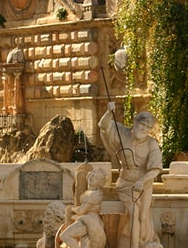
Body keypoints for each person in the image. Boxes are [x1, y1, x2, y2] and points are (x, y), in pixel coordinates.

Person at [98, 102, 162, 248]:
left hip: (144, 184)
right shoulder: (122, 133)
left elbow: (156, 169)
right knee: (134, 212)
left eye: (148, 127)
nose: (144, 129)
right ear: (135, 122)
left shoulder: (152, 144)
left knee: (143, 217)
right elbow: (103, 125)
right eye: (142, 125)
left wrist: (142, 181)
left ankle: (141, 242)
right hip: (126, 183)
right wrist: (109, 112)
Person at [59, 168, 108, 248]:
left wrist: (71, 209)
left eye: (95, 177)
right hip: (85, 218)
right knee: (84, 244)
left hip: (89, 220)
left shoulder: (94, 194)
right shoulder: (89, 192)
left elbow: (81, 210)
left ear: (99, 183)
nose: (92, 178)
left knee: (64, 235)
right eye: (91, 175)